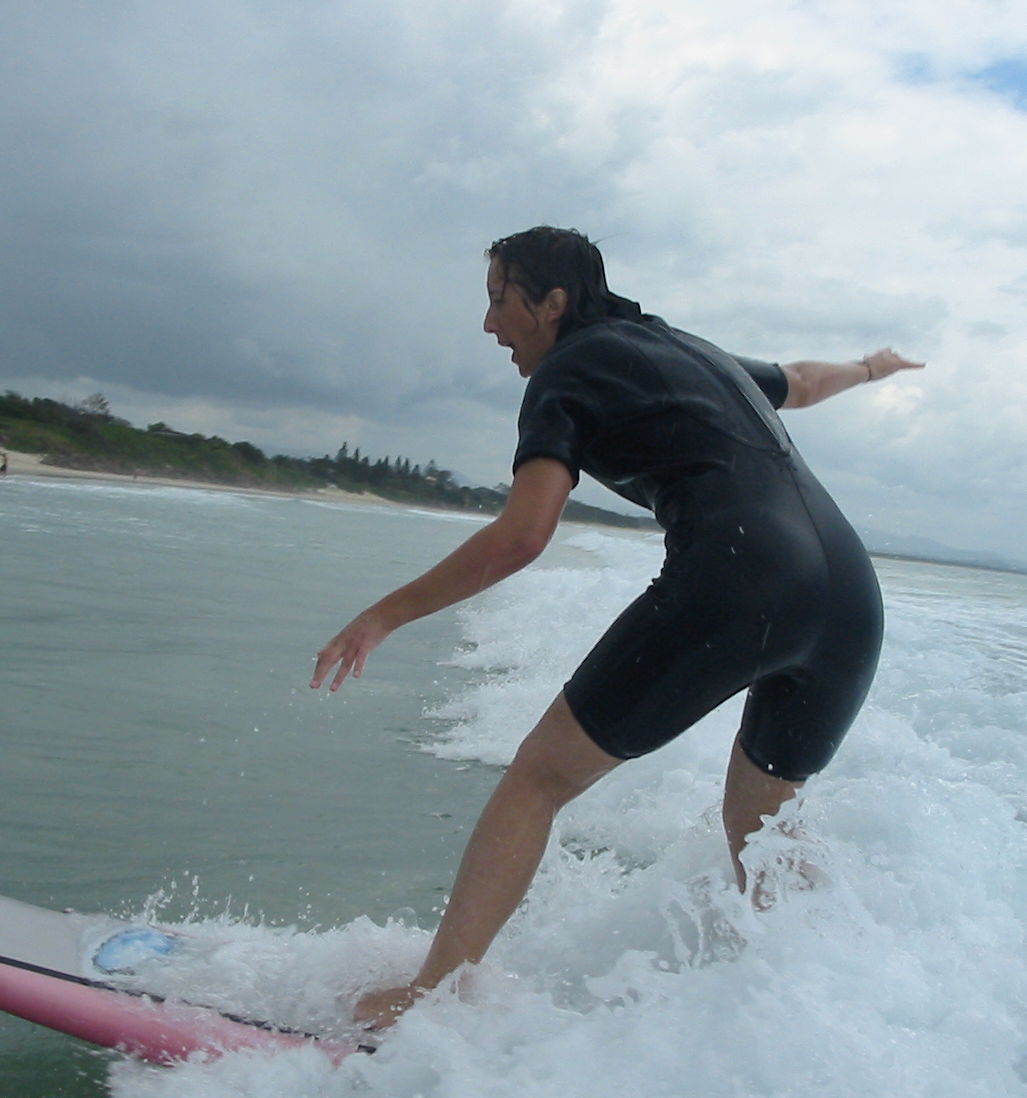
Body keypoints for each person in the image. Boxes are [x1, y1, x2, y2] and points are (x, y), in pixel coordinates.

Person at [311, 226, 923, 1030]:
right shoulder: (683, 349)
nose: (490, 324)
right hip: (851, 596)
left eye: (500, 300)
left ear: (552, 302)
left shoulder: (569, 373)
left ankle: (430, 1001)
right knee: (763, 819)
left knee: (538, 778)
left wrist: (384, 613)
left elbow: (524, 534)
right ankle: (824, 1006)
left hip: (742, 577)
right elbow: (803, 383)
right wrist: (873, 368)